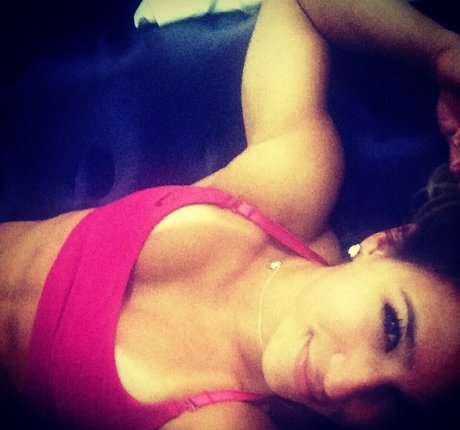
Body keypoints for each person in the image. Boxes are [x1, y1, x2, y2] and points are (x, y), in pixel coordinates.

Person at [1, 0, 460, 428]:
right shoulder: (284, 198)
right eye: (392, 328)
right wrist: (441, 50)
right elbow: (297, 6)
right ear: (387, 243)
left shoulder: (227, 420)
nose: (344, 385)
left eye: (393, 401)